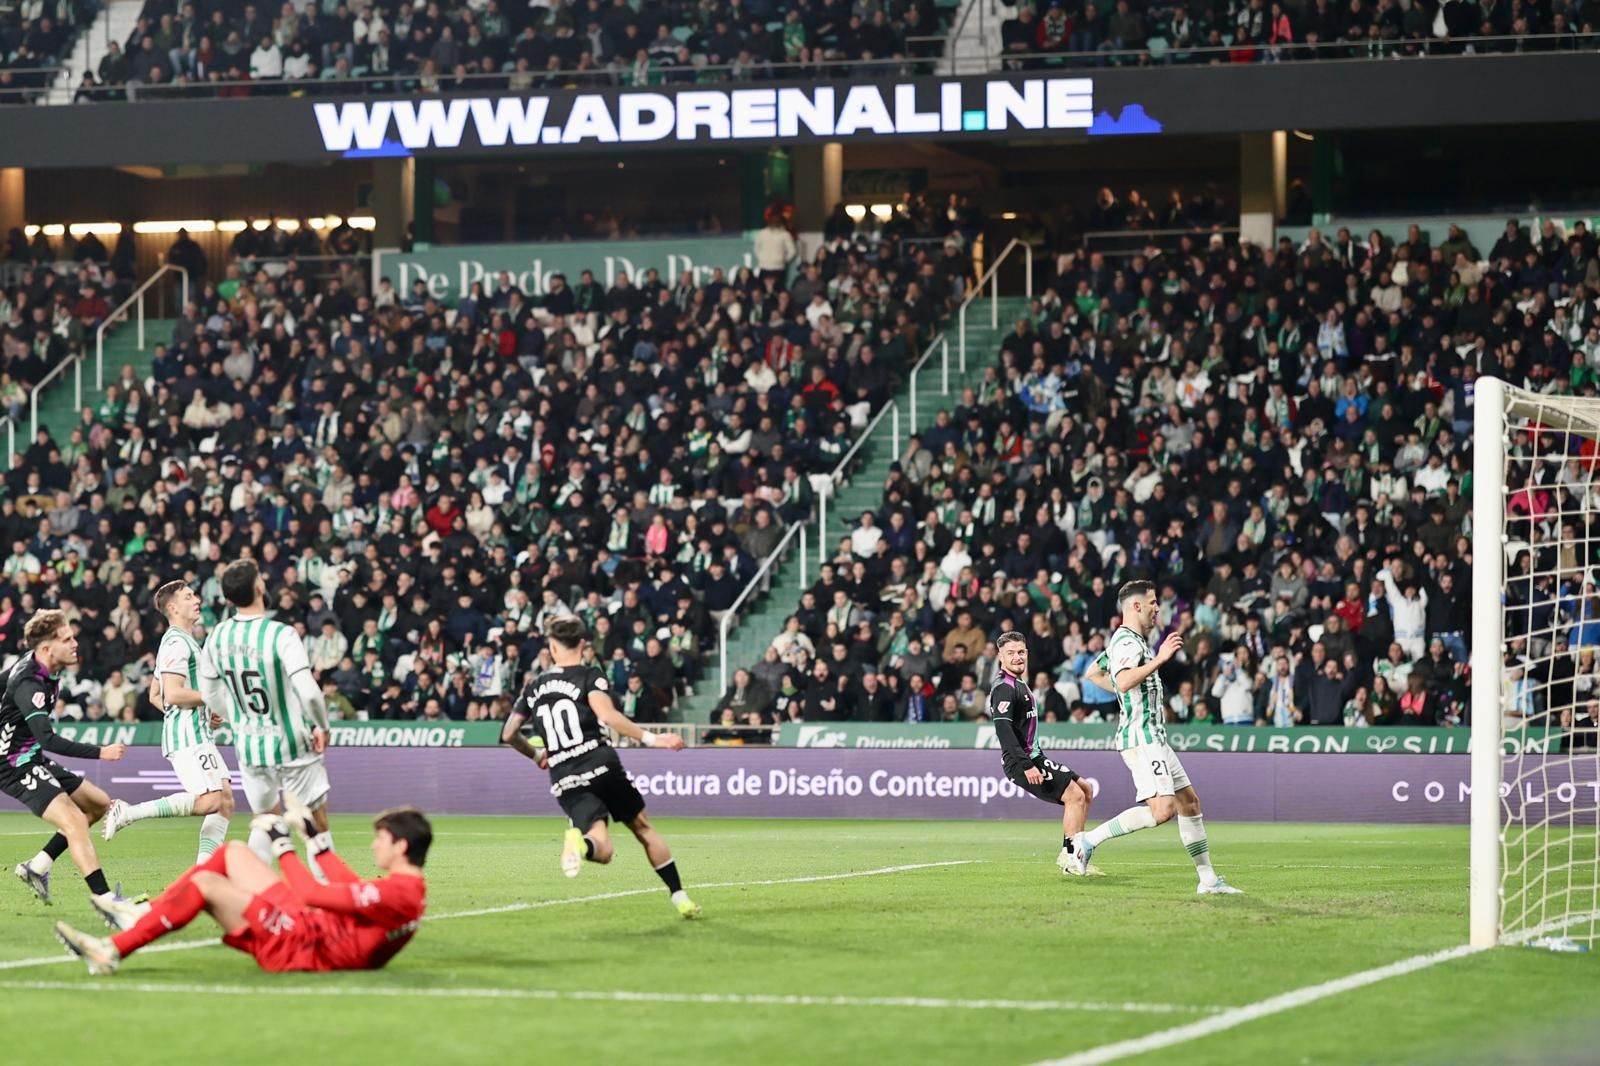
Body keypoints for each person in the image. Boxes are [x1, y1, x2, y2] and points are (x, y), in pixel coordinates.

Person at [55, 802, 430, 976]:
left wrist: (282, 844)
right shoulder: (408, 887)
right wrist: (313, 838)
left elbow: (312, 894)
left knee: (206, 883)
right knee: (233, 851)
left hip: (303, 944)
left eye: (380, 838)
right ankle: (145, 912)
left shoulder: (400, 894)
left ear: (401, 846)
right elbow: (350, 888)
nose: (373, 845)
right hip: (313, 928)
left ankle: (110, 951)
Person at [501, 615, 702, 919]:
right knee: (643, 828)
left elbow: (509, 733)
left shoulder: (533, 686)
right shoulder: (589, 675)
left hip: (563, 774)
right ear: (583, 645)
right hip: (599, 762)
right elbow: (607, 716)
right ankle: (680, 897)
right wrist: (652, 738)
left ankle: (580, 846)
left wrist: (536, 755)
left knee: (602, 848)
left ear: (551, 647)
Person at [1076, 580, 1242, 895]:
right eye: (1152, 602)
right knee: (1163, 810)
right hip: (1141, 738)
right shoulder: (1127, 643)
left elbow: (1096, 674)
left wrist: (1129, 692)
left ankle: (1208, 881)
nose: (1157, 608)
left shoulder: (1130, 641)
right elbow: (1123, 681)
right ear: (1135, 606)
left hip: (1155, 736)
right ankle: (1087, 841)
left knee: (1189, 802)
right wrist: (1159, 660)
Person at [5, 609, 146, 924]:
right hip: (14, 764)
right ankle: (108, 903)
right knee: (74, 822)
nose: (75, 643)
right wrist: (101, 753)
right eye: (66, 639)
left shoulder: (36, 664)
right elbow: (48, 739)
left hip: (29, 755)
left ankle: (37, 866)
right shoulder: (31, 683)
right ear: (46, 648)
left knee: (97, 805)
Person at [199, 559, 333, 872]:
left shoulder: (216, 637)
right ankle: (328, 898)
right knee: (315, 827)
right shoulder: (280, 634)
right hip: (292, 745)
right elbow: (310, 692)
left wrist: (239, 720)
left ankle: (256, 902)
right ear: (259, 587)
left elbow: (210, 696)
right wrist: (321, 726)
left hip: (249, 748)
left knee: (266, 825)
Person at [101, 581, 236, 861]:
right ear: (173, 608)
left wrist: (199, 709)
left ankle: (204, 871)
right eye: (189, 596)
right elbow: (172, 694)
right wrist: (209, 699)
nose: (196, 599)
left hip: (194, 729)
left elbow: (154, 694)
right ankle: (127, 812)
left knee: (225, 801)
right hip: (188, 735)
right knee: (211, 800)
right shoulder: (176, 642)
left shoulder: (181, 641)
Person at [989, 630, 1096, 877]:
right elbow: (1004, 731)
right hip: (1022, 762)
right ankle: (1071, 858)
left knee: (1086, 791)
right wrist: (1027, 765)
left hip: (1035, 757)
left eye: (1021, 652)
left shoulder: (1020, 684)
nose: (1017, 657)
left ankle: (1073, 852)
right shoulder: (1004, 689)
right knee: (1075, 797)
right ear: (1000, 657)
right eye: (1011, 653)